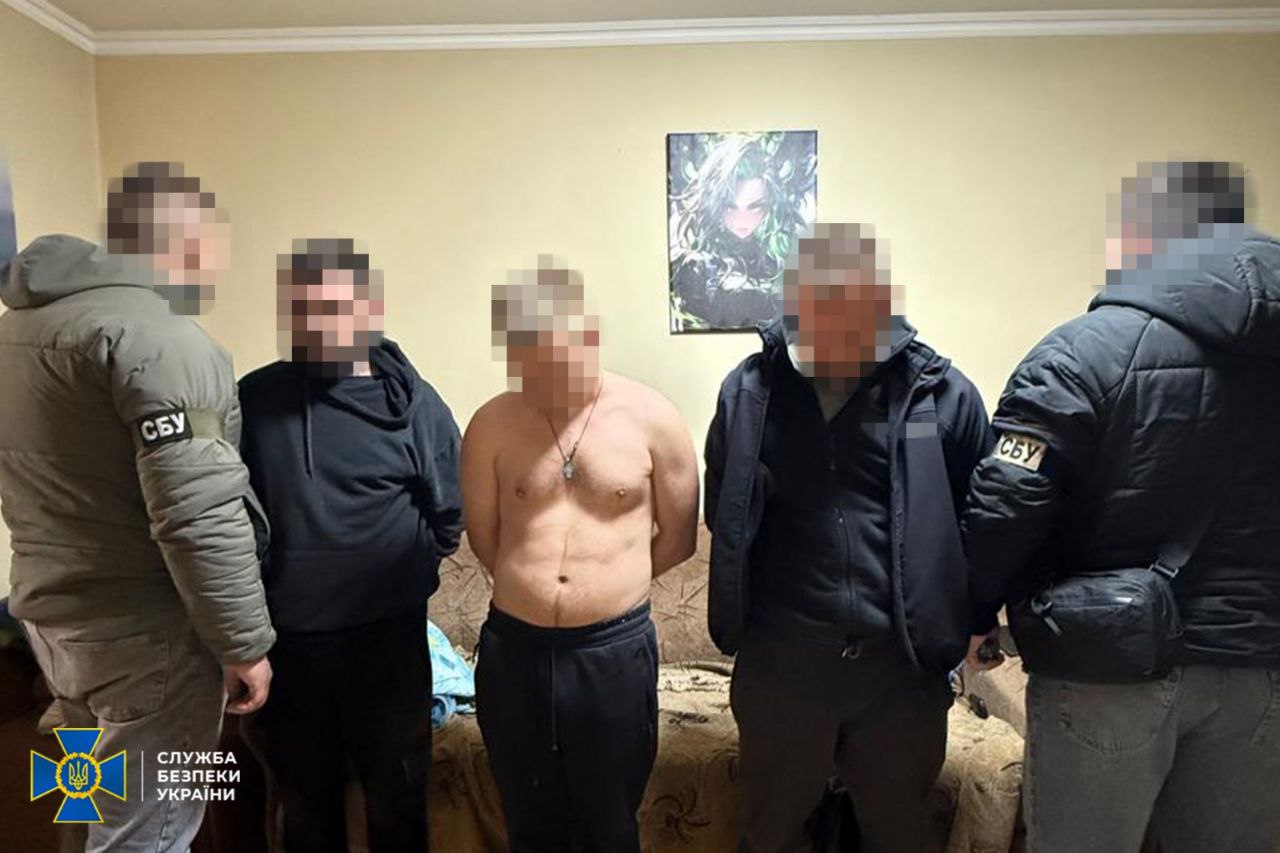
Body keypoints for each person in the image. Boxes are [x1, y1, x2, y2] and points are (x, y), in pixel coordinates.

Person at [962, 161, 1280, 853]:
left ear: (1144, 238)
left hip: (1105, 667)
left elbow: (1005, 504)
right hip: (1260, 667)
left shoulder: (1083, 352)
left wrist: (972, 613)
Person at [0, 161, 275, 852]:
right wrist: (243, 643)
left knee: (86, 804)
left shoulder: (17, 332)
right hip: (146, 636)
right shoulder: (164, 340)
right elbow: (197, 511)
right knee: (148, 833)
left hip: (54, 625)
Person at [704, 223, 991, 853]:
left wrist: (971, 626)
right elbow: (723, 511)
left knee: (897, 836)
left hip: (900, 673)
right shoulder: (749, 394)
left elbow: (981, 524)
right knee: (771, 834)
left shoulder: (941, 395)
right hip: (783, 666)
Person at [462, 257, 699, 852]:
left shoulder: (653, 418)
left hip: (611, 655)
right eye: (528, 355)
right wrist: (534, 589)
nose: (543, 370)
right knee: (528, 825)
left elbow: (680, 538)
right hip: (514, 652)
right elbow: (485, 537)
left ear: (588, 334)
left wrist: (608, 588)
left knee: (609, 825)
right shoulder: (491, 423)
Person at [238, 238, 462, 852]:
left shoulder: (415, 404)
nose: (320, 323)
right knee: (306, 814)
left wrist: (403, 574)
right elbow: (231, 517)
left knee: (398, 810)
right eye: (305, 309)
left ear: (368, 310)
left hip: (387, 645)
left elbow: (450, 515)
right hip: (289, 648)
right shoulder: (255, 400)